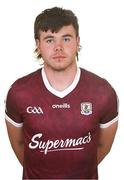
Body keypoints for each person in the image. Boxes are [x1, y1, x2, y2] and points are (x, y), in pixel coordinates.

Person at [5, 7, 118, 179]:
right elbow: (20, 146)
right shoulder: (19, 92)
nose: (58, 48)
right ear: (38, 44)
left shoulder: (103, 93)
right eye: (49, 40)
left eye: (66, 39)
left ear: (77, 41)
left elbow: (103, 146)